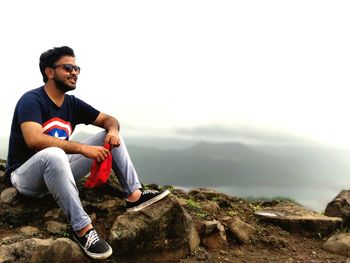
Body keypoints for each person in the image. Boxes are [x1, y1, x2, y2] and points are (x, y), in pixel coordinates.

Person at [5, 46, 170, 260]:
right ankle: (82, 229)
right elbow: (34, 139)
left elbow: (109, 120)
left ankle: (134, 195)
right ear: (49, 72)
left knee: (107, 138)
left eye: (77, 68)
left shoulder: (71, 103)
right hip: (25, 177)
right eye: (68, 68)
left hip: (57, 173)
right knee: (54, 154)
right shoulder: (32, 100)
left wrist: (111, 130)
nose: (74, 72)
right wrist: (83, 148)